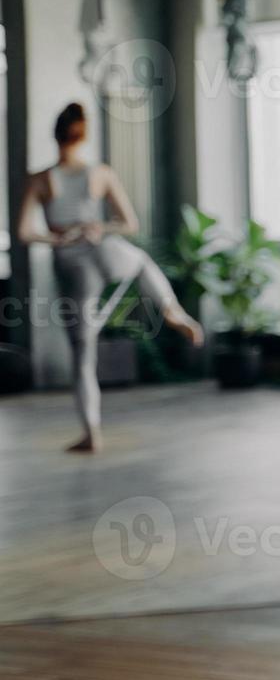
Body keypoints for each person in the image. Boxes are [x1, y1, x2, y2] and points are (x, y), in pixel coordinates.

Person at [16, 102, 204, 453]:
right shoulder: (99, 173)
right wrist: (100, 227)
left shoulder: (41, 179)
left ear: (55, 136)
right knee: (142, 262)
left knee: (83, 352)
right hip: (105, 251)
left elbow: (25, 232)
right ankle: (171, 309)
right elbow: (129, 224)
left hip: (74, 265)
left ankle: (92, 434)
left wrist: (57, 237)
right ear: (83, 135)